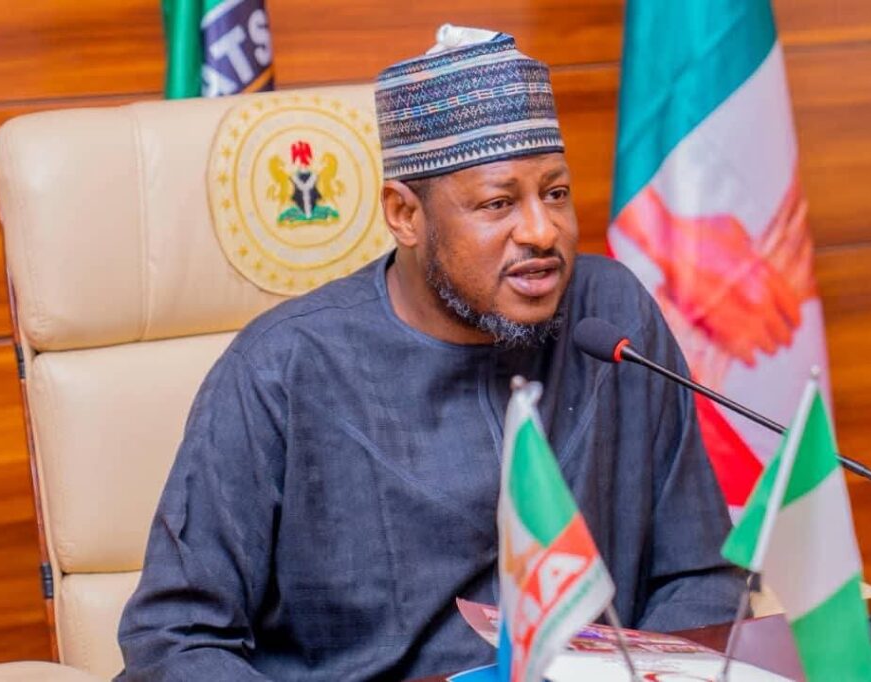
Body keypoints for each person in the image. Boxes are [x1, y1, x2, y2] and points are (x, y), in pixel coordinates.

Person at [117, 26, 744, 682]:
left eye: (555, 193)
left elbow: (698, 575)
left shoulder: (610, 318)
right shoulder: (282, 368)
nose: (542, 231)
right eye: (499, 203)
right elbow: (173, 640)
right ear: (405, 215)